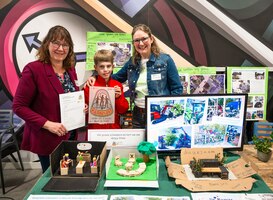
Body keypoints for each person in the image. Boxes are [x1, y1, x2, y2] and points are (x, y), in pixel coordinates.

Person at [12, 25, 84, 173]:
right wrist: (47, 124)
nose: (60, 48)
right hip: (48, 138)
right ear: (47, 44)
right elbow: (19, 106)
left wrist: (81, 107)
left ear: (70, 48)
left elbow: (69, 98)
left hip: (70, 135)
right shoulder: (34, 69)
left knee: (68, 175)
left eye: (65, 44)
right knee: (53, 179)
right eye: (56, 43)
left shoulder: (70, 69)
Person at [86, 24, 183, 128]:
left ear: (151, 39)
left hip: (158, 113)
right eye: (136, 40)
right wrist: (95, 77)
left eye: (144, 39)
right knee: (139, 144)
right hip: (138, 114)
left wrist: (170, 113)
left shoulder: (165, 60)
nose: (140, 43)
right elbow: (113, 78)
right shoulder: (132, 62)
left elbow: (177, 89)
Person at [84, 49, 129, 131]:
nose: (105, 70)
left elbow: (123, 110)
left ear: (113, 66)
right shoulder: (89, 85)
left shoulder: (117, 85)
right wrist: (85, 108)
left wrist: (118, 97)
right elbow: (84, 109)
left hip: (114, 129)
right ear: (95, 68)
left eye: (108, 66)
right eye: (101, 66)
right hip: (95, 130)